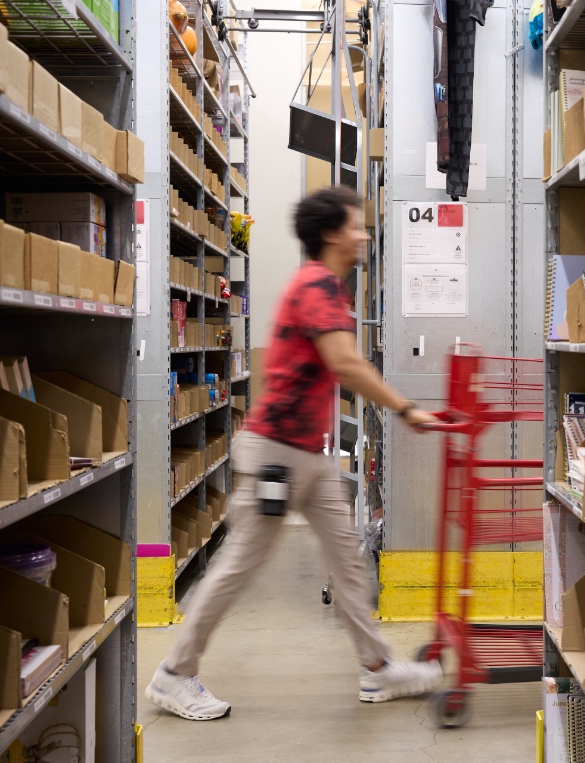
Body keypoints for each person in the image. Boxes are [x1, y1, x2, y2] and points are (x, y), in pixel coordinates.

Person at [146, 187, 443, 721]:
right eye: (356, 225)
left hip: (306, 456)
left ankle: (377, 669)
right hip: (276, 457)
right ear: (331, 233)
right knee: (240, 565)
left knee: (347, 562)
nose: (364, 235)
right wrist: (405, 408)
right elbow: (346, 365)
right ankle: (173, 674)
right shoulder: (315, 287)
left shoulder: (329, 287)